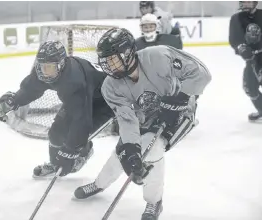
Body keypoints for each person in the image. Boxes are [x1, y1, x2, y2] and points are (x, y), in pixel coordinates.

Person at [73, 28, 211, 220]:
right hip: (147, 115)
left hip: (180, 111)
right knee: (124, 151)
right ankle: (100, 184)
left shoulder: (159, 56)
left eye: (113, 59)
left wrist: (181, 98)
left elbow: (201, 74)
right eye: (106, 62)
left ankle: (154, 202)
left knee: (152, 148)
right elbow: (127, 119)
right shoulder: (110, 86)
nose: (109, 67)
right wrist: (130, 148)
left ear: (128, 53)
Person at [0, 40, 114, 177]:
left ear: (61, 64)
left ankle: (84, 153)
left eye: (49, 67)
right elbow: (31, 88)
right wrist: (14, 100)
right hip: (80, 98)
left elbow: (81, 121)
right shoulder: (47, 71)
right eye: (42, 67)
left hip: (104, 101)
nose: (44, 72)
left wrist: (71, 150)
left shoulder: (74, 80)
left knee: (77, 135)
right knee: (56, 133)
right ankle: (54, 164)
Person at [229, 1, 262, 121]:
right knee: (250, 87)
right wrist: (241, 48)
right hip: (251, 58)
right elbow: (234, 38)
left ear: (255, 3)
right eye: (244, 1)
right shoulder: (236, 18)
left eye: (249, 1)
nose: (246, 4)